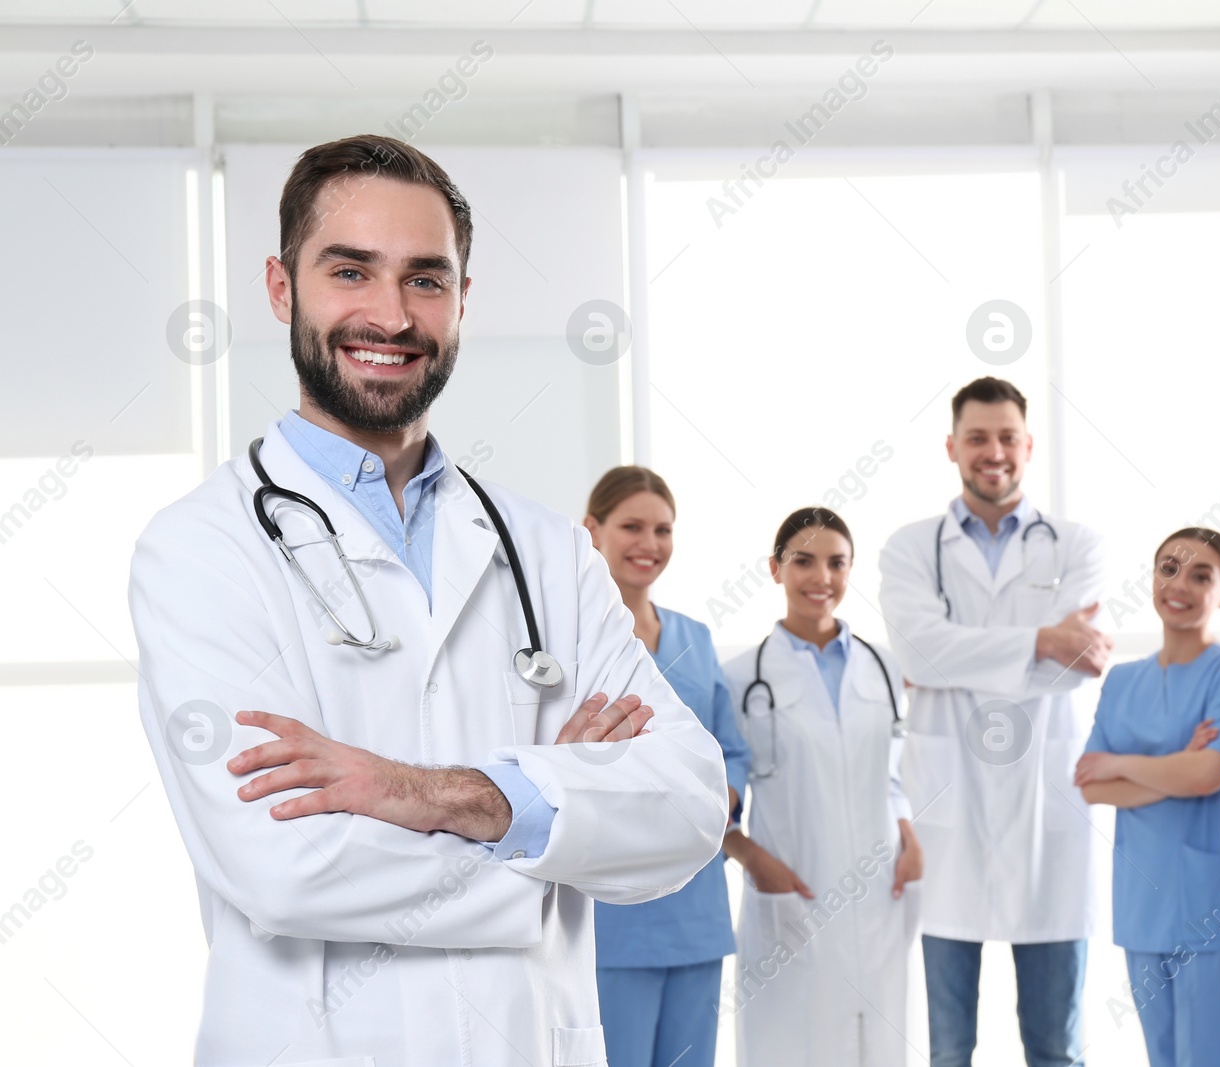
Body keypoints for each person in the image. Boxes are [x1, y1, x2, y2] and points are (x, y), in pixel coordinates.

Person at [128, 135, 728, 1067]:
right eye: (351, 271)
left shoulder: (549, 553)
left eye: (425, 279)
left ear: (460, 302)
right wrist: (548, 836)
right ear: (283, 290)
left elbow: (689, 802)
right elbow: (282, 867)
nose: (390, 314)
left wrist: (422, 793)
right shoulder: (201, 547)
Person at [878, 377, 1110, 1067]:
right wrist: (1039, 639)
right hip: (949, 808)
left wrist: (955, 654)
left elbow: (1076, 664)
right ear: (951, 446)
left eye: (1007, 436)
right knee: (949, 1049)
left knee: (1055, 1046)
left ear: (1028, 444)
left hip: (1048, 809)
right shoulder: (911, 546)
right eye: (977, 437)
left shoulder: (1077, 544)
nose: (993, 451)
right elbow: (917, 649)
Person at [721, 507, 922, 1067]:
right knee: (791, 1040)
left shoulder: (883, 666)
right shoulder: (740, 678)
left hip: (881, 882)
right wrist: (753, 860)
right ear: (775, 569)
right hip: (794, 883)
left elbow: (893, 773)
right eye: (804, 561)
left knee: (879, 1041)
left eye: (836, 563)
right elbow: (715, 804)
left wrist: (912, 839)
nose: (822, 578)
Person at [581, 466, 752, 1067]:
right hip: (613, 911)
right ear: (591, 529)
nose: (649, 544)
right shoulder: (573, 639)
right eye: (632, 526)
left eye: (663, 529)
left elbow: (730, 746)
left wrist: (725, 796)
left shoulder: (696, 637)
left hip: (697, 906)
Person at [1075, 527, 1220, 1067]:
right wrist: (1176, 761)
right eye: (1169, 568)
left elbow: (1206, 777)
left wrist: (1122, 762)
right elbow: (1090, 785)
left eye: (1202, 575)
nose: (1179, 584)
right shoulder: (1122, 680)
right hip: (1141, 902)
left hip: (1210, 901)